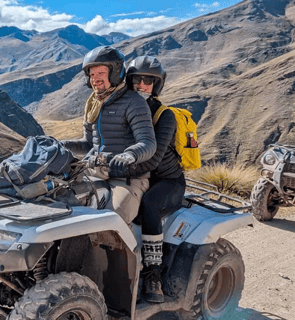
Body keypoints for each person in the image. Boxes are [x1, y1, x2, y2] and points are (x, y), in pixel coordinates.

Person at [61, 46, 157, 225]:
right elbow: (89, 144)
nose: (95, 79)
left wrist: (129, 155)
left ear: (115, 73)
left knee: (112, 220)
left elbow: (148, 143)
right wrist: (62, 145)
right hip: (96, 172)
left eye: (100, 73)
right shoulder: (93, 104)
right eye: (91, 74)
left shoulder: (134, 103)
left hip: (128, 178)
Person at [126, 55, 186, 303]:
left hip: (167, 181)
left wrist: (119, 169)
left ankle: (153, 274)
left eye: (148, 81)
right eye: (137, 80)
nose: (142, 85)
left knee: (149, 204)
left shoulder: (165, 116)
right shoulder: (126, 109)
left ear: (157, 85)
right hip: (141, 175)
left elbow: (154, 159)